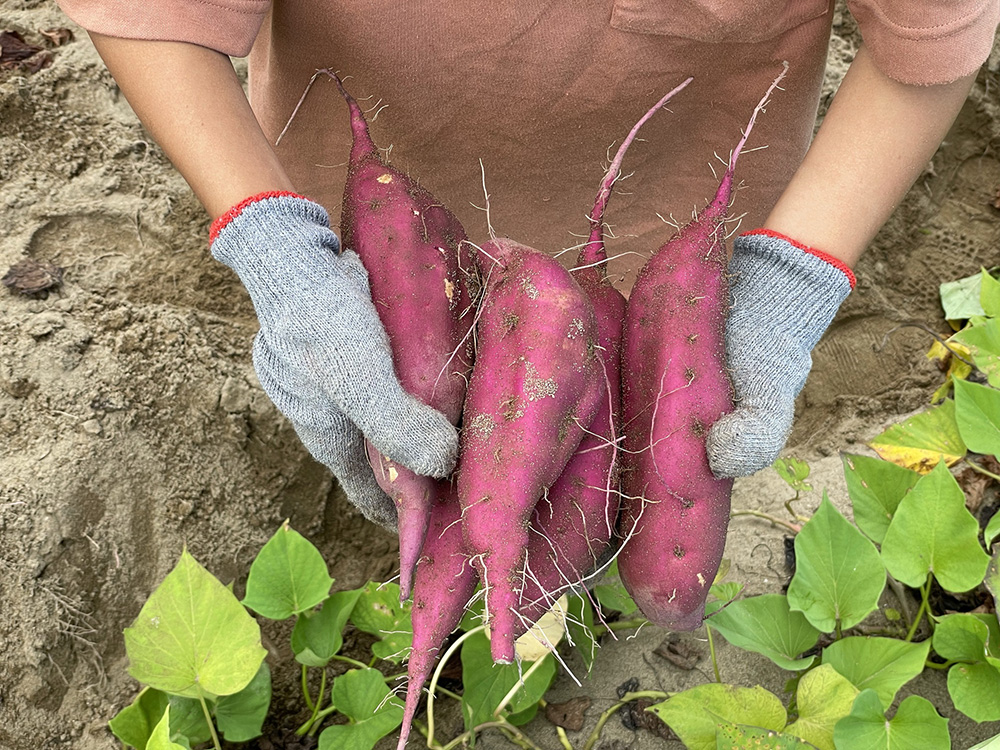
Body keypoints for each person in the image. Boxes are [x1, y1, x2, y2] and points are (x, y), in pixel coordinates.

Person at [56, 1, 1000, 528]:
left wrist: (794, 277)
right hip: (375, 249)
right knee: (414, 463)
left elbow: (930, 42)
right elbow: (151, 12)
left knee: (612, 496)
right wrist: (275, 248)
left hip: (673, 264)